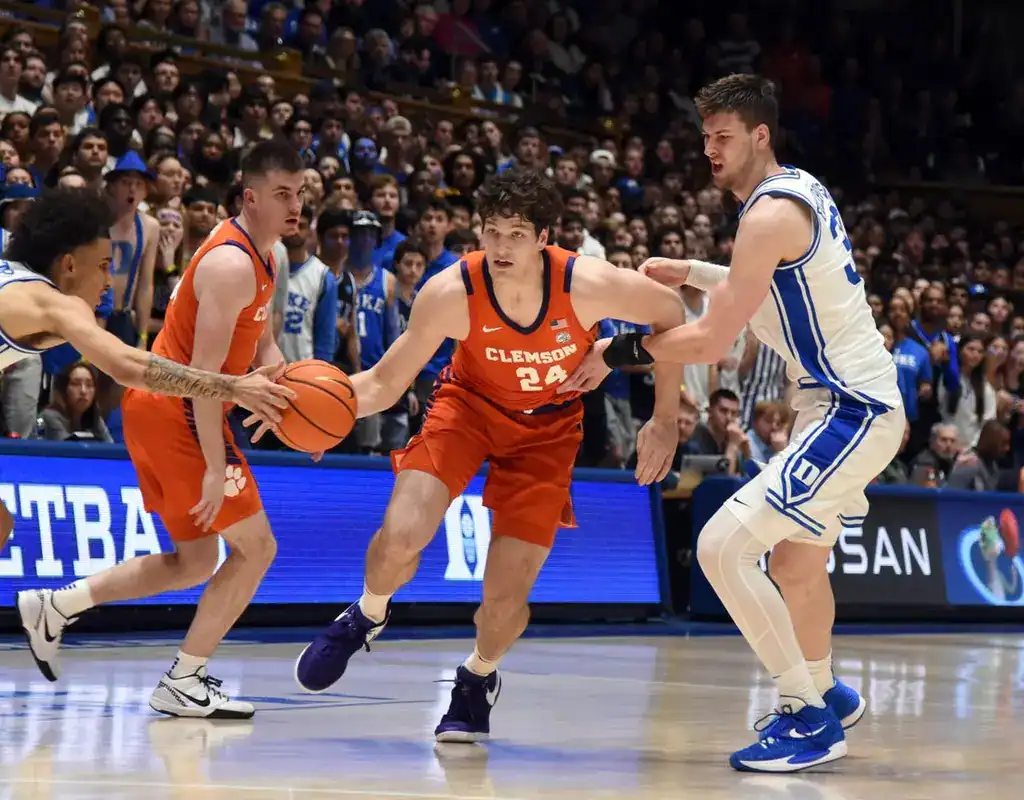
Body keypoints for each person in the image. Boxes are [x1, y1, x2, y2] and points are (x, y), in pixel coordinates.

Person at [563, 74, 906, 772]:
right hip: (845, 400)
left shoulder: (766, 216)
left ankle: (805, 715)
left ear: (759, 135)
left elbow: (713, 341)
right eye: (704, 137)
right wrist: (692, 269)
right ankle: (825, 692)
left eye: (722, 137)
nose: (710, 150)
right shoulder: (796, 190)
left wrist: (615, 350)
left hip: (851, 407)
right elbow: (769, 290)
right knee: (795, 564)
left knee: (722, 545)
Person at [268, 168, 684, 741]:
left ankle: (477, 676)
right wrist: (316, 420)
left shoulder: (586, 283)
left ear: (543, 237)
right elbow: (385, 384)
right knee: (401, 534)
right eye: (492, 232)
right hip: (466, 409)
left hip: (549, 430)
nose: (501, 246)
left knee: (503, 602)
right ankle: (367, 612)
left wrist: (662, 420)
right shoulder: (450, 292)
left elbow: (672, 313)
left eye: (516, 234)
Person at [15, 141, 306, 721]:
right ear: (250, 197)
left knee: (196, 562)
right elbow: (199, 379)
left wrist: (295, 402)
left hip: (172, 408)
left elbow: (265, 344)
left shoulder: (272, 258)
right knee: (257, 548)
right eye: (283, 194)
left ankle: (56, 605)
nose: (296, 205)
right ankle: (184, 678)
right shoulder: (229, 264)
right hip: (179, 408)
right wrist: (208, 469)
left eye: (300, 194)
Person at [0, 184, 290, 543]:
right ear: (70, 265)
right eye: (104, 266)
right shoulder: (57, 305)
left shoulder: (14, 278)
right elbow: (128, 367)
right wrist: (231, 386)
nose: (109, 281)